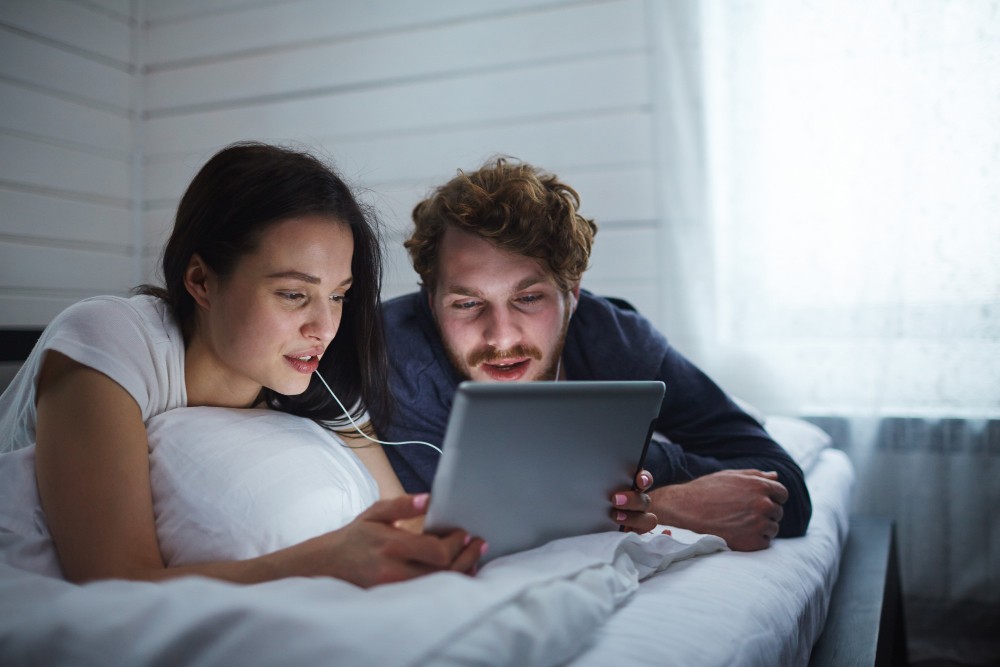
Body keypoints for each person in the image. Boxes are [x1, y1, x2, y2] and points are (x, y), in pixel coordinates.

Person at [0, 143, 484, 586]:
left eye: (338, 295)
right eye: (294, 294)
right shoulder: (112, 339)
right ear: (201, 281)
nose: (324, 327)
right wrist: (320, 561)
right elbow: (115, 582)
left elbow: (398, 518)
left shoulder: (316, 372)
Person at [373, 158, 812, 551]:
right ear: (431, 304)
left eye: (528, 298)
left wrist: (640, 468)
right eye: (467, 304)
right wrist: (658, 500)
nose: (501, 337)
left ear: (573, 295)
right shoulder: (396, 355)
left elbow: (784, 489)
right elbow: (474, 532)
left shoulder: (612, 336)